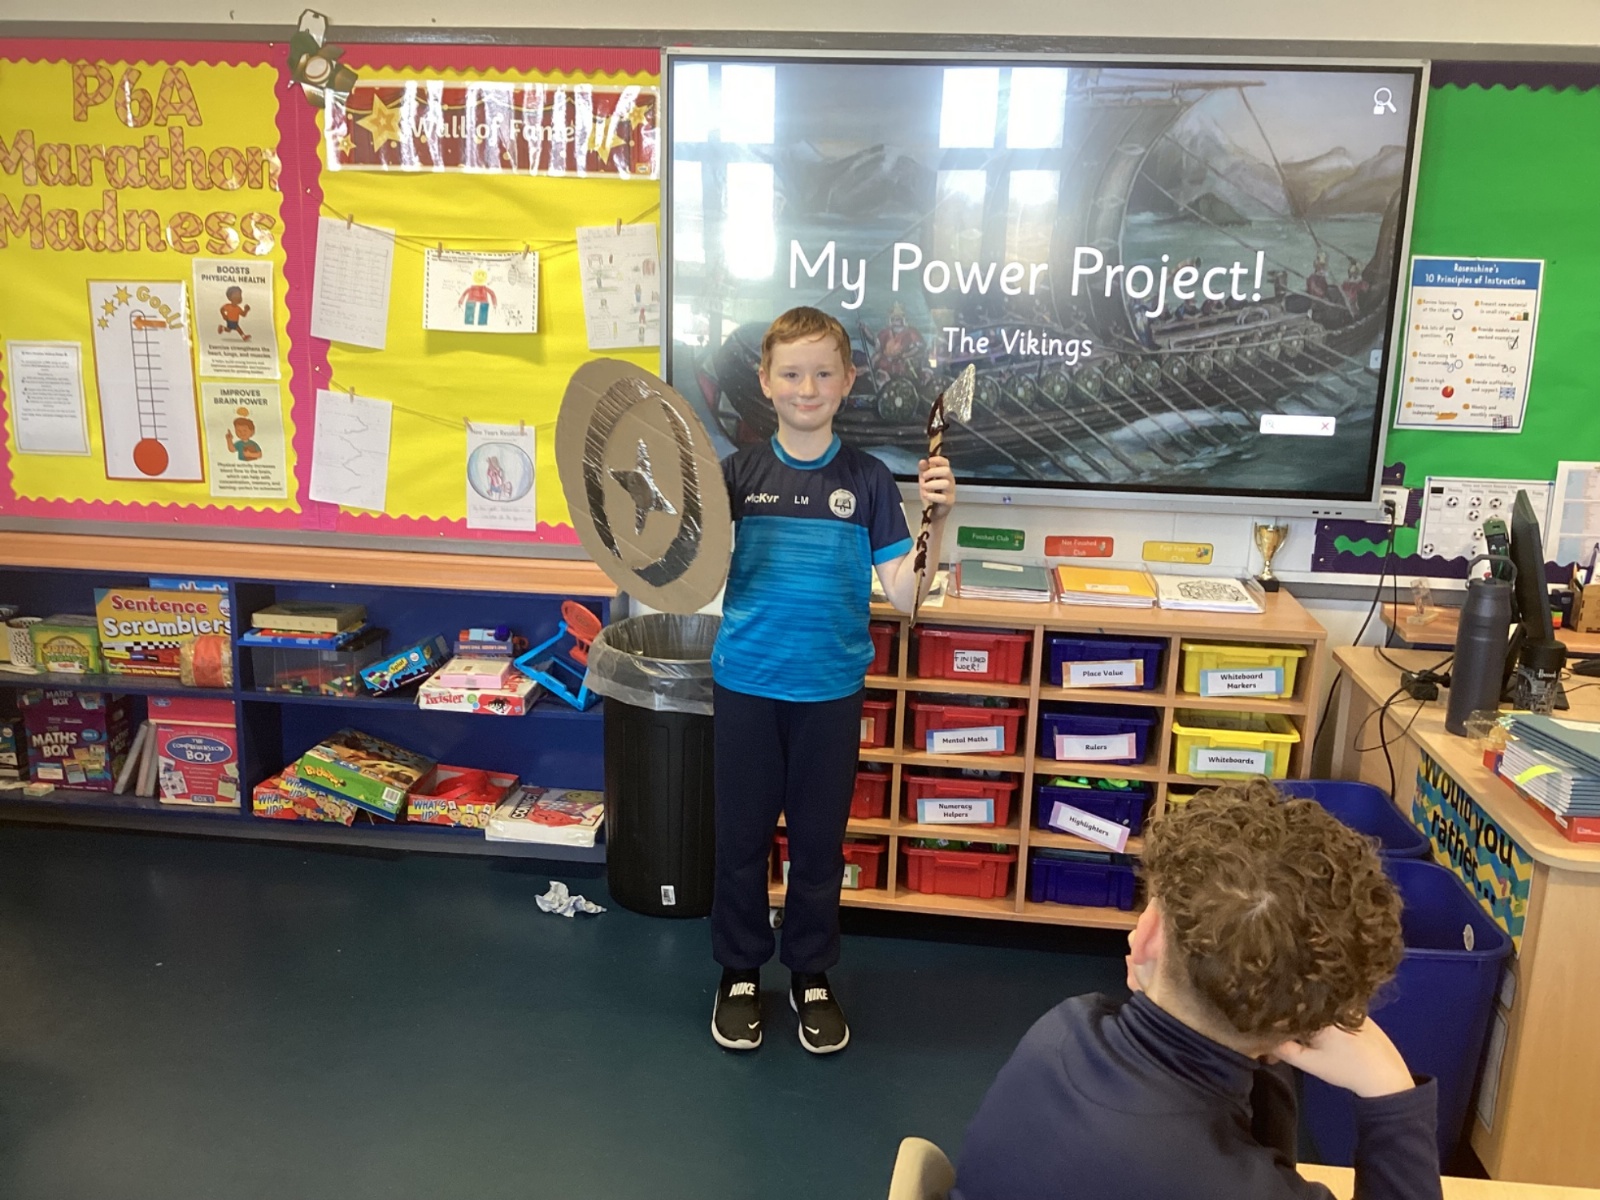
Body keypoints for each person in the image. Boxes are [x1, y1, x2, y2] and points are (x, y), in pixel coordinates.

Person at [951, 779, 1442, 1200]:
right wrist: (1390, 1093)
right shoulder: (1242, 1187)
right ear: (1304, 1022)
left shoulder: (1060, 1032)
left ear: (1146, 938)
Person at [710, 306, 954, 1056]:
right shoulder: (737, 475)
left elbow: (907, 596)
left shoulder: (869, 480)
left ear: (848, 380)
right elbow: (695, 574)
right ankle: (740, 973)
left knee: (818, 847)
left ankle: (810, 974)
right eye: (791, 373)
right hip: (748, 685)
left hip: (830, 692)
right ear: (765, 381)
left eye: (822, 373)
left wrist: (938, 518)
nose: (806, 387)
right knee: (741, 843)